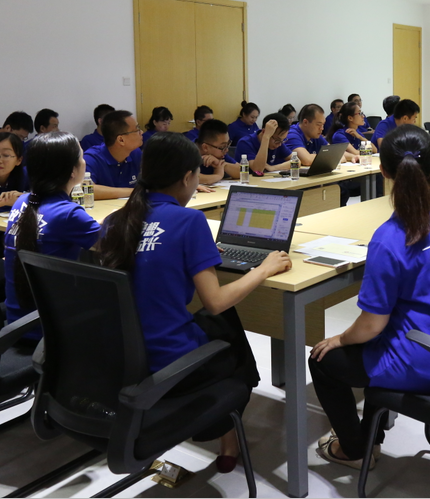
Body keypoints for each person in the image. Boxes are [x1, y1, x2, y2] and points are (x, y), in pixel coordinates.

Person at [98, 132, 291, 473]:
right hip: (170, 362)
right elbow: (215, 301)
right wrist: (263, 269)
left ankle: (223, 433)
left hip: (121, 358)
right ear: (188, 177)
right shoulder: (189, 221)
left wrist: (198, 254)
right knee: (231, 337)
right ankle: (224, 433)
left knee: (220, 324)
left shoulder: (116, 221)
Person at [309, 125, 430, 470]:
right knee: (384, 336)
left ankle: (354, 450)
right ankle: (372, 435)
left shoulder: (390, 237)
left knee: (322, 359)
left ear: (383, 171)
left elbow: (371, 326)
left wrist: (339, 339)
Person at [3, 131, 101, 340]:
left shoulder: (22, 202)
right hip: (53, 332)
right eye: (81, 157)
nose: (85, 162)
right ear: (72, 170)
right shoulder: (68, 214)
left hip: (18, 325)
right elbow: (114, 246)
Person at [83, 110, 143, 199]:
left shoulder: (135, 153)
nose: (141, 132)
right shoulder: (92, 158)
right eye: (137, 129)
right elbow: (86, 189)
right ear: (121, 140)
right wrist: (135, 191)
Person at [195, 119, 240, 184]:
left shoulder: (221, 153)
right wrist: (218, 175)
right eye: (223, 146)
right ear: (205, 147)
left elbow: (242, 171)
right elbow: (191, 178)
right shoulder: (188, 152)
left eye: (227, 144)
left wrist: (220, 163)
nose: (226, 150)